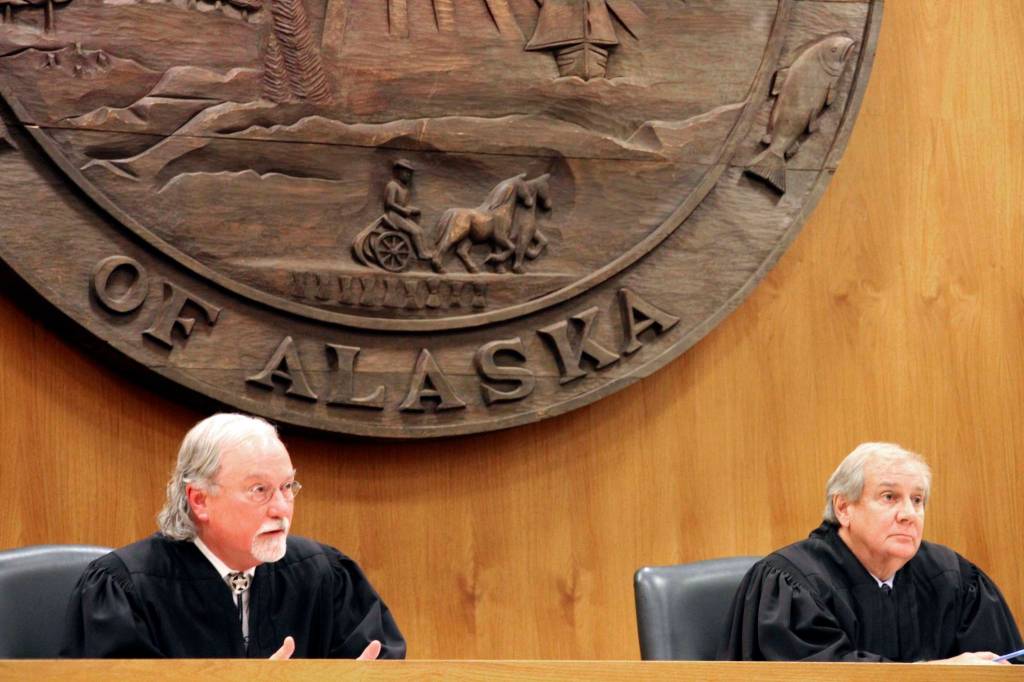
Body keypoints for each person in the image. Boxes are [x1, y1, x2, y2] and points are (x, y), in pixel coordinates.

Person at [61, 413, 406, 659]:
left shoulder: (325, 577)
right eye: (259, 490)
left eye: (287, 487)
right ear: (200, 500)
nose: (281, 508)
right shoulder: (124, 591)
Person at [719, 442, 1022, 663]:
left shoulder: (955, 579)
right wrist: (935, 674)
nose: (909, 514)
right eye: (889, 497)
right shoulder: (792, 583)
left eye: (917, 500)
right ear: (843, 508)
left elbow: (1006, 666)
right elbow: (821, 675)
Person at [384, 159, 431, 259]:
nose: (408, 175)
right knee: (415, 232)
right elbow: (389, 203)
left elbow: (404, 204)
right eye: (406, 172)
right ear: (398, 172)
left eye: (409, 173)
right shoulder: (392, 185)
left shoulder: (405, 188)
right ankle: (421, 254)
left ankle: (425, 250)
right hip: (394, 215)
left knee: (420, 230)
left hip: (401, 215)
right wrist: (403, 210)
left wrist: (413, 209)